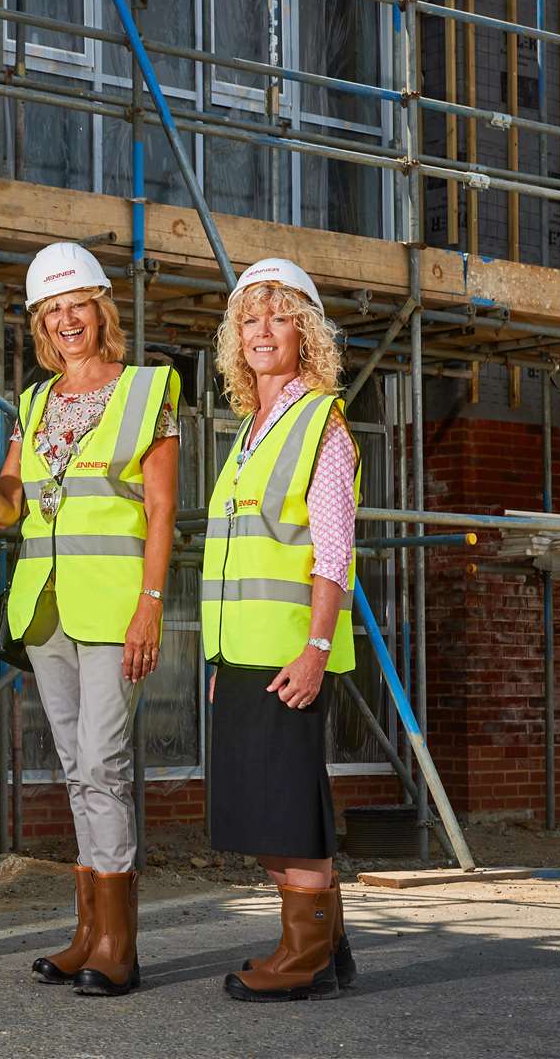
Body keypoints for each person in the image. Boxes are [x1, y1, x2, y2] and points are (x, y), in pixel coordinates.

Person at [0, 241, 179, 998]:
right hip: (43, 609)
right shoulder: (33, 402)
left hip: (113, 609)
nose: (65, 320)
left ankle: (119, 945)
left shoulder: (147, 390)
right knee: (76, 770)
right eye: (51, 311)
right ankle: (88, 933)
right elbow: (11, 509)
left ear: (100, 310)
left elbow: (163, 508)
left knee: (103, 765)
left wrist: (150, 605)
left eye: (76, 306)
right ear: (40, 324)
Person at [202, 258, 360, 1003]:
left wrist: (315, 650)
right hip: (240, 653)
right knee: (256, 809)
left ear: (306, 332)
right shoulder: (249, 429)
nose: (261, 331)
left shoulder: (317, 422)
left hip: (290, 653)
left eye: (278, 316)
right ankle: (324, 942)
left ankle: (303, 958)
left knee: (286, 809)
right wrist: (217, 655)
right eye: (249, 318)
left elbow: (333, 553)